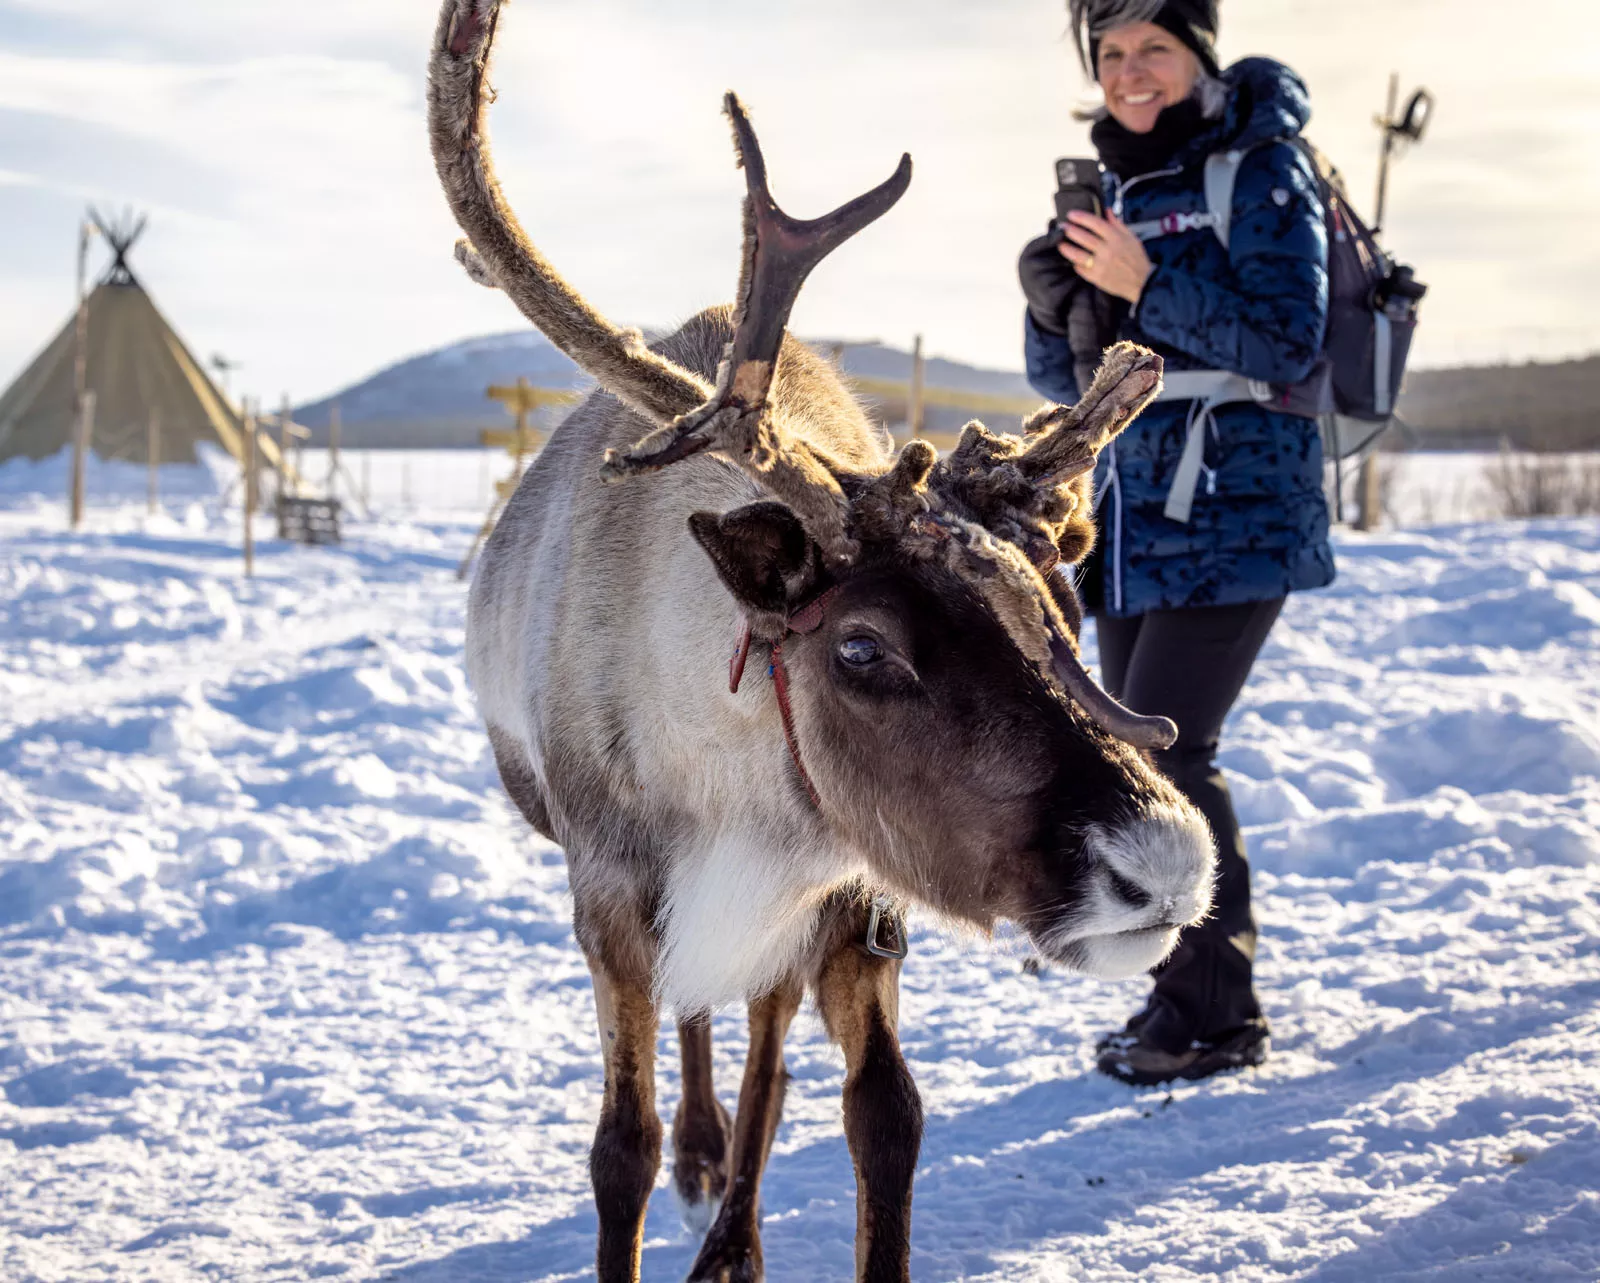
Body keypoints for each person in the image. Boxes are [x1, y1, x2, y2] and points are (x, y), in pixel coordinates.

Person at [1019, 0, 1334, 1085]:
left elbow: (1290, 338)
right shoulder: (1123, 191)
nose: (1128, 72)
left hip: (1242, 510)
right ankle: (1190, 995)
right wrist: (1054, 305)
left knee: (1164, 752)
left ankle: (1208, 1012)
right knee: (1137, 753)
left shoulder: (1258, 169)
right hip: (1132, 520)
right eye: (1109, 54)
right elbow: (1076, 387)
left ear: (1199, 57)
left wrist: (1144, 281)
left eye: (1153, 48)